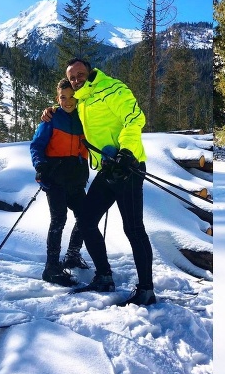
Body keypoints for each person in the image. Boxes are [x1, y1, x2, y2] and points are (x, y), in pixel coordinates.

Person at [42, 58, 156, 306]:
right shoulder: (81, 97)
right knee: (85, 220)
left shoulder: (113, 88)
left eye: (80, 74)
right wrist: (51, 110)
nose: (76, 79)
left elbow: (135, 118)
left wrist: (126, 152)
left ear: (90, 72)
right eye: (72, 77)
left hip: (128, 166)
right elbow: (68, 104)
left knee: (133, 229)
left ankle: (146, 290)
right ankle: (104, 276)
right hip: (108, 170)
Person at [30, 78, 89, 287]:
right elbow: (36, 146)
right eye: (63, 97)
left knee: (86, 217)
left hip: (76, 180)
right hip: (54, 178)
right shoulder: (51, 118)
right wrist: (40, 167)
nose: (68, 101)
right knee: (59, 220)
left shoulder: (85, 117)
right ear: (58, 98)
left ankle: (72, 255)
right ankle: (51, 268)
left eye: (72, 96)